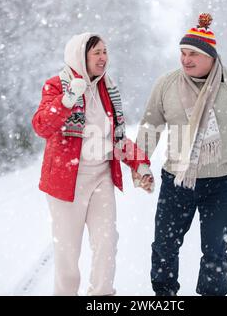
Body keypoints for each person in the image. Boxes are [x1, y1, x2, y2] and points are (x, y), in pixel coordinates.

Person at [135, 13, 227, 296]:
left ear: (212, 56)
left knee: (215, 252)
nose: (185, 59)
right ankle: (164, 296)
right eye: (183, 53)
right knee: (164, 247)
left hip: (221, 183)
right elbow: (150, 125)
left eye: (194, 54)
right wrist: (141, 164)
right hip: (176, 180)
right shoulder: (167, 84)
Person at [32, 32, 153, 296]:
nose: (103, 57)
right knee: (67, 254)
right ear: (80, 55)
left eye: (105, 51)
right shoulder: (56, 85)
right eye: (96, 52)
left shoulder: (107, 90)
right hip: (67, 183)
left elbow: (116, 138)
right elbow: (42, 126)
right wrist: (67, 100)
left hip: (101, 178)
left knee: (107, 244)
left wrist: (140, 164)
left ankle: (101, 297)